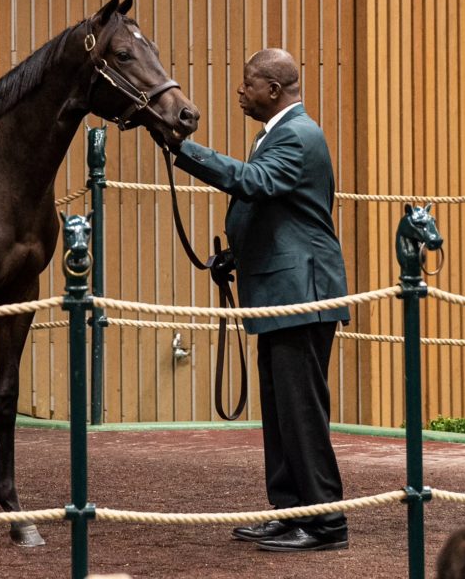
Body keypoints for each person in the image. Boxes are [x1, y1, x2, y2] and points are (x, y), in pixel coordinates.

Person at [155, 48, 349, 552]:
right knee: (283, 410)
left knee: (301, 412)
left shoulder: (299, 135)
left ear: (274, 90)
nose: (240, 91)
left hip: (300, 294)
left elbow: (255, 183)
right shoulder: (282, 134)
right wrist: (236, 258)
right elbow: (280, 212)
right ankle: (291, 513)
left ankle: (326, 524)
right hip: (282, 289)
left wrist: (185, 149)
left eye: (248, 84)